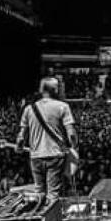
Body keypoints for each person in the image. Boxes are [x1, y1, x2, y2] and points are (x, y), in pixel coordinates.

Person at [15, 76, 78, 206]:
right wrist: (73, 147)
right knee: (53, 193)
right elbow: (71, 134)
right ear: (55, 89)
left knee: (39, 191)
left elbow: (21, 137)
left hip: (36, 156)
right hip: (55, 155)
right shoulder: (63, 107)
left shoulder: (29, 109)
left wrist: (19, 147)